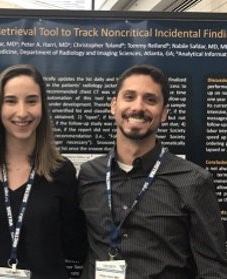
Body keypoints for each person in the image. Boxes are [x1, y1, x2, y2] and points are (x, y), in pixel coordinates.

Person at [78, 64, 227, 278]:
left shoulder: (193, 181)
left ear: (164, 113)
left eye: (150, 100)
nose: (138, 107)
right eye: (129, 97)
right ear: (113, 106)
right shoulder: (89, 174)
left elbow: (212, 269)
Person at [0, 64, 86, 279]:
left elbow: (74, 244)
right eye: (11, 101)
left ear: (42, 107)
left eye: (32, 101)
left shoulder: (61, 171)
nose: (22, 112)